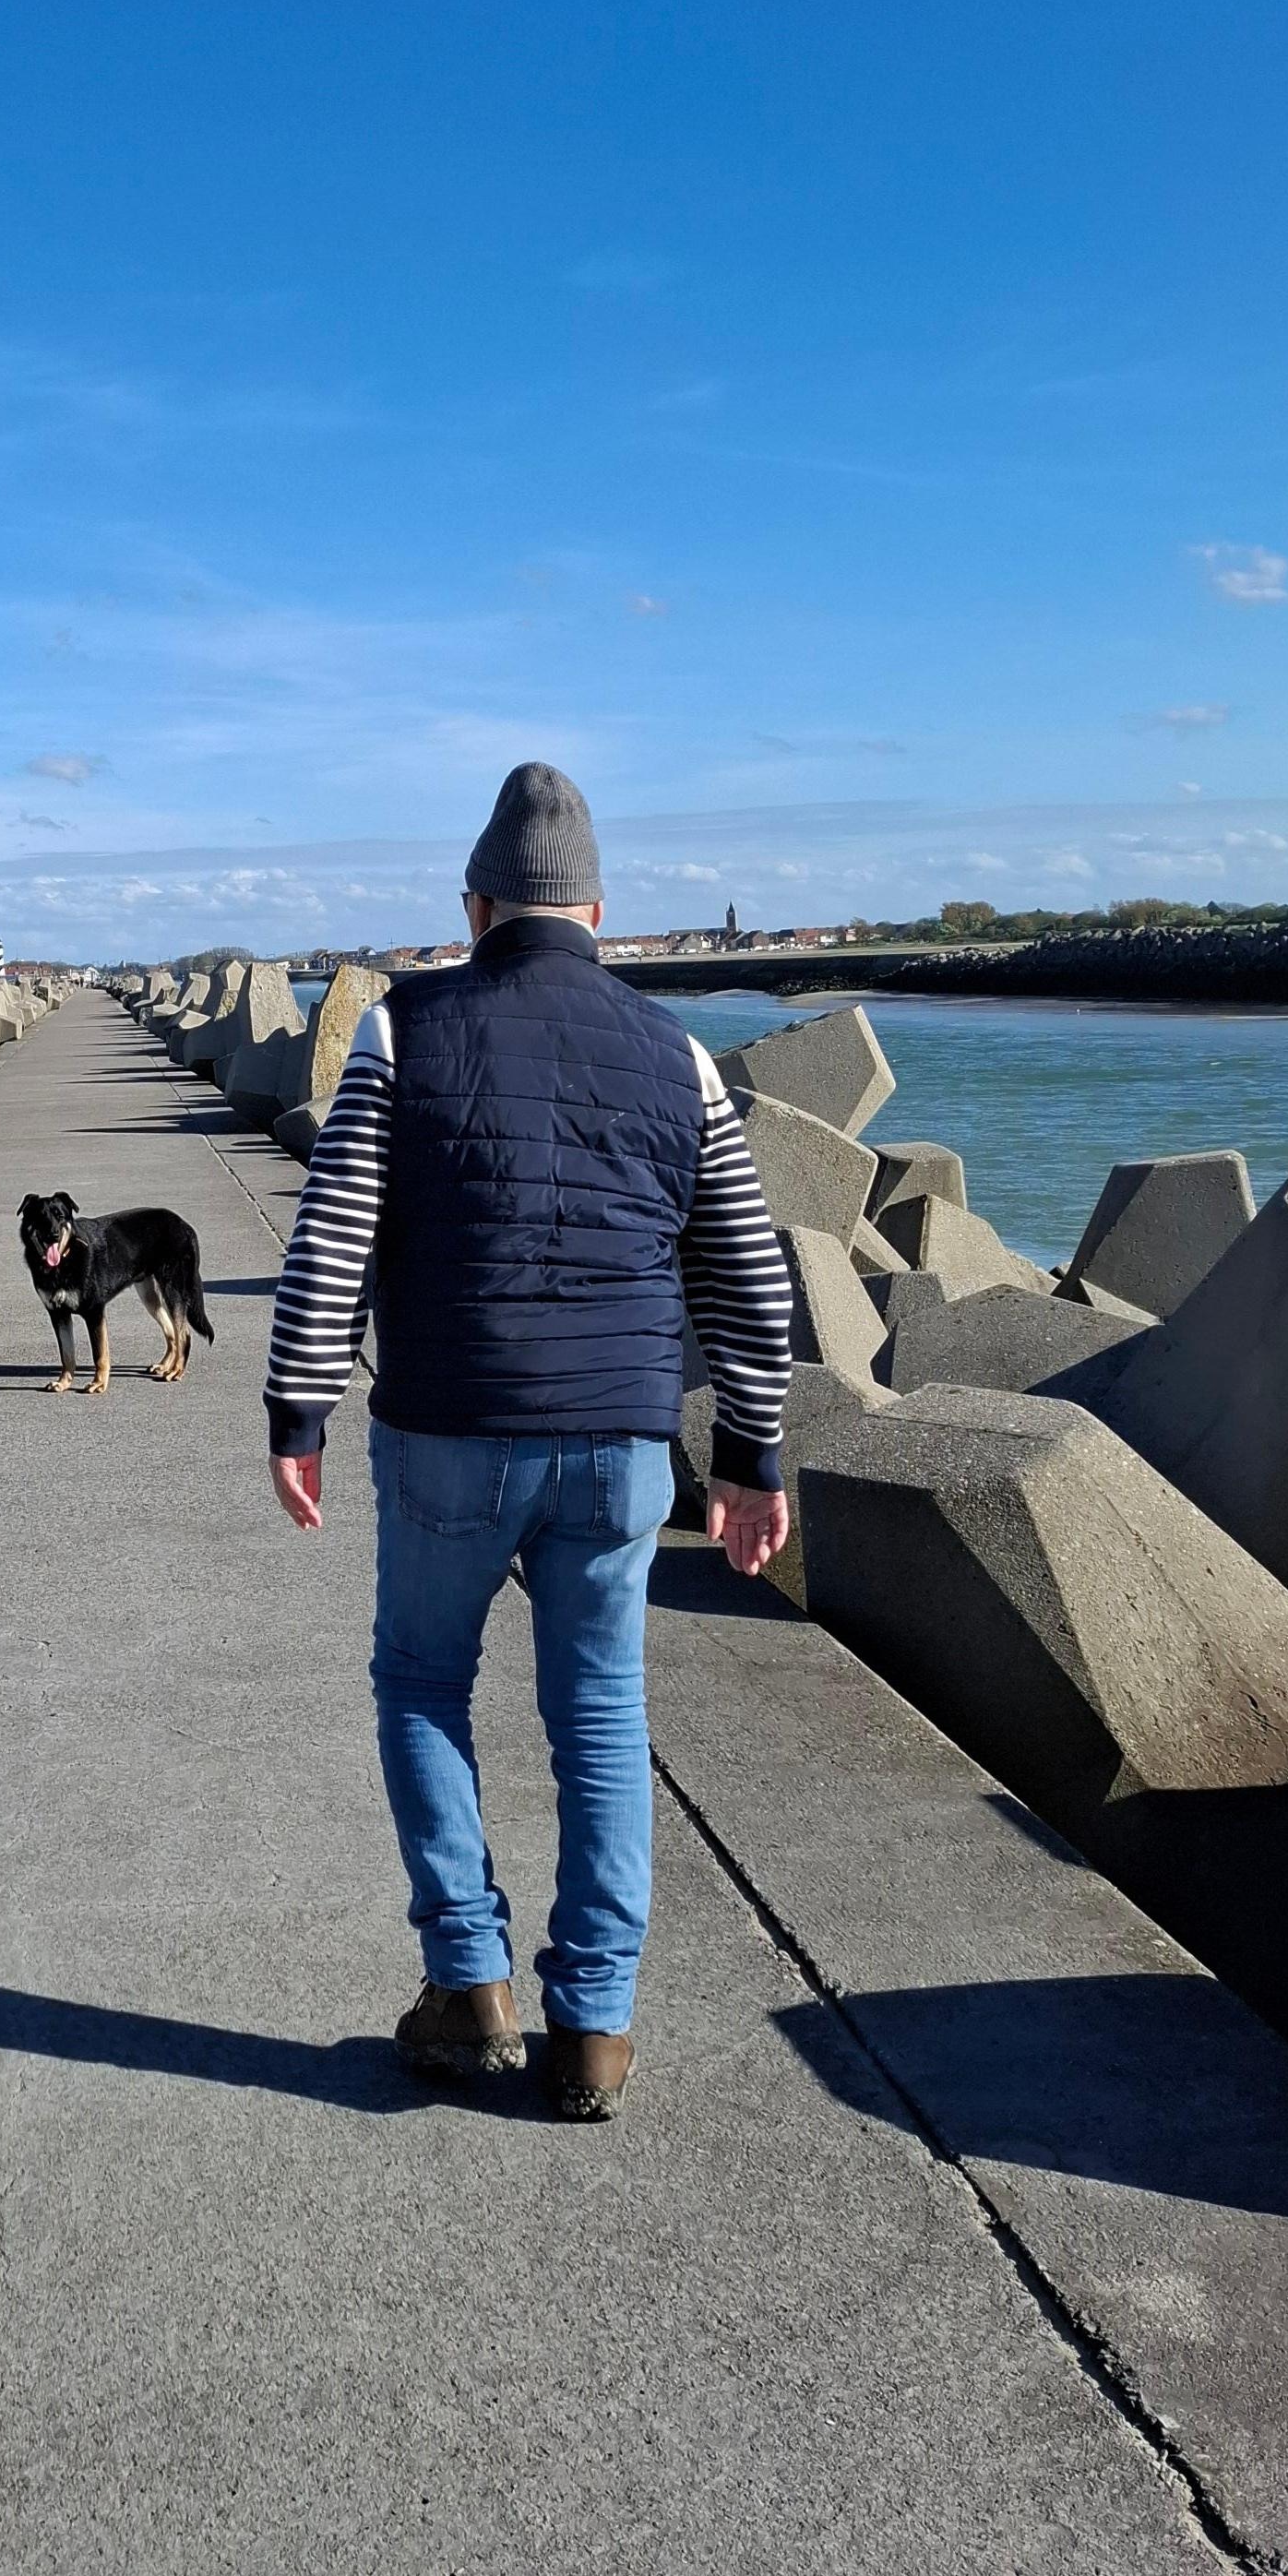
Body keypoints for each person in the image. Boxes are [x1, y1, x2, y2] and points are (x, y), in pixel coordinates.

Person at [264, 764, 793, 2121]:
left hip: (449, 1429)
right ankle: (595, 2027)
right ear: (600, 912)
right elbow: (745, 1266)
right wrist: (753, 1453)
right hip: (620, 1442)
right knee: (601, 1721)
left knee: (424, 1680)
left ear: (477, 904)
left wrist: (299, 1408)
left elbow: (333, 1234)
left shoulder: (404, 1025)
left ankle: (470, 1985)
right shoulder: (676, 1056)